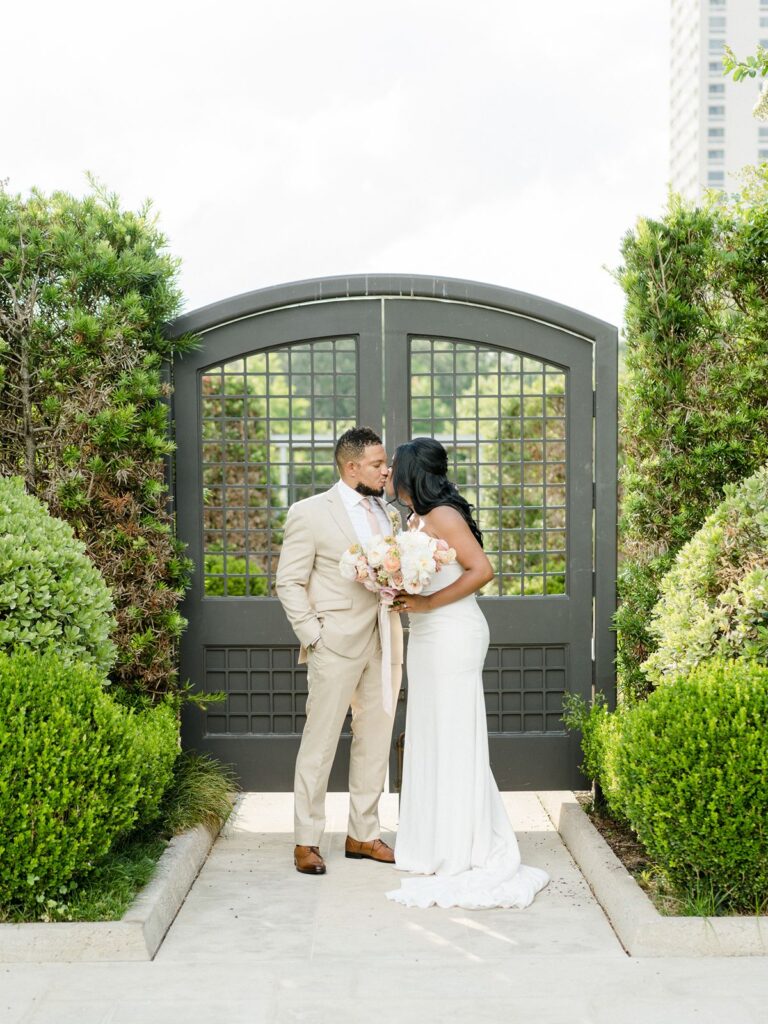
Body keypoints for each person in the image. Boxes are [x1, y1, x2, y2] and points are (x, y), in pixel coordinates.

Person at [385, 437, 550, 909]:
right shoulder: (414, 519)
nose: (390, 471)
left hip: (454, 632)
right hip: (426, 635)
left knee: (454, 732)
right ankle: (434, 839)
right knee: (430, 732)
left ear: (410, 472)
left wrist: (426, 603)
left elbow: (482, 570)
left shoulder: (443, 516)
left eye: (395, 465)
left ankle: (465, 843)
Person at [276, 426, 403, 876]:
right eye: (377, 464)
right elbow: (288, 581)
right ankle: (307, 840)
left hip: (384, 638)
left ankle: (362, 834)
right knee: (322, 739)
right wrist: (313, 634)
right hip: (334, 641)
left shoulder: (389, 514)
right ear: (352, 467)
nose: (386, 470)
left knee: (375, 738)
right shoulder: (310, 513)